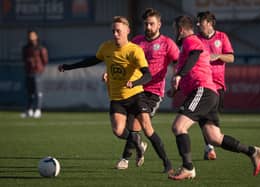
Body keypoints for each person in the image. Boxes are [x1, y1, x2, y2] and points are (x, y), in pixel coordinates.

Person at [58, 16, 173, 173]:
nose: (115, 34)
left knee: (147, 128)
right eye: (113, 31)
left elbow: (147, 75)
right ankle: (138, 143)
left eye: (118, 31)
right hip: (117, 98)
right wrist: (69, 67)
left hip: (136, 96)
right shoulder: (107, 47)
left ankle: (167, 164)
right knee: (118, 131)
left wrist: (135, 83)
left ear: (127, 30)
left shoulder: (134, 50)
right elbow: (91, 60)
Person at [168, 15, 260, 180]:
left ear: (180, 29)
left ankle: (188, 167)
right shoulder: (188, 44)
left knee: (179, 127)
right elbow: (194, 67)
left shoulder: (191, 41)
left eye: (174, 28)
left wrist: (179, 75)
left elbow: (195, 55)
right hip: (208, 92)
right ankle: (252, 151)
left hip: (203, 91)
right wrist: (177, 88)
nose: (173, 32)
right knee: (214, 137)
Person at [114, 8, 179, 171]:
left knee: (137, 125)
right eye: (146, 24)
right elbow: (124, 61)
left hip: (153, 91)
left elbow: (179, 63)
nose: (148, 27)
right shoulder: (137, 41)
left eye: (152, 24)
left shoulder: (167, 43)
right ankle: (139, 147)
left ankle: (125, 159)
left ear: (159, 24)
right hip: (135, 89)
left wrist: (177, 78)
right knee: (127, 128)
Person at [196, 11, 235, 160]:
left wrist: (218, 56)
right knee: (203, 114)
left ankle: (213, 142)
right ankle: (210, 147)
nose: (198, 24)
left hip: (218, 84)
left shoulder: (222, 37)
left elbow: (231, 57)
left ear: (210, 23)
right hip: (202, 82)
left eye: (201, 22)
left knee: (212, 115)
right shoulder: (196, 39)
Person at [21, 30, 48, 118]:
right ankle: (29, 110)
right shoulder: (26, 48)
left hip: (37, 72)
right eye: (29, 35)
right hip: (29, 72)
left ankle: (38, 110)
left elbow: (45, 61)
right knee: (29, 92)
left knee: (37, 92)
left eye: (33, 35)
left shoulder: (40, 48)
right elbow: (24, 59)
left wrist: (39, 68)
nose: (31, 37)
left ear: (36, 36)